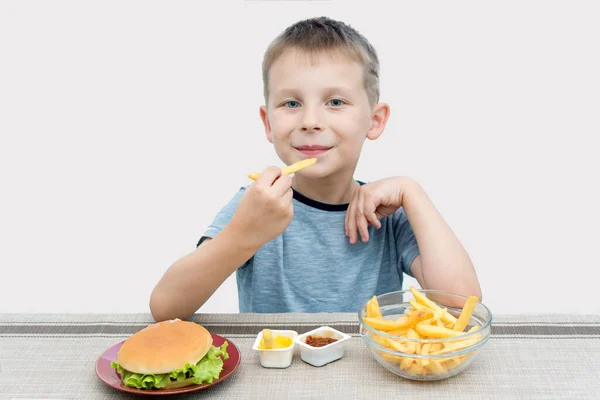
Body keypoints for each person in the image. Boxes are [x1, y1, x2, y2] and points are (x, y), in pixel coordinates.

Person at [150, 16, 482, 321]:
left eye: (335, 102)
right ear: (268, 123)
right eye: (291, 103)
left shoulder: (389, 214)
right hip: (276, 380)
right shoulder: (257, 205)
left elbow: (460, 305)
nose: (310, 122)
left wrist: (413, 192)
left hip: (366, 380)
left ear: (375, 120)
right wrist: (243, 233)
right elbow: (166, 307)